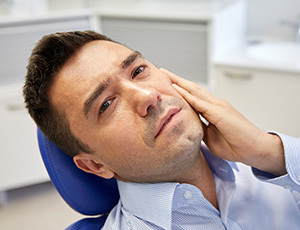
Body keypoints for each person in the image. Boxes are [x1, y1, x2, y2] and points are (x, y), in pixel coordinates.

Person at [23, 30, 300, 229]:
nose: (146, 96)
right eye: (106, 104)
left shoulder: (277, 168)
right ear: (95, 165)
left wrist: (270, 152)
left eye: (138, 71)